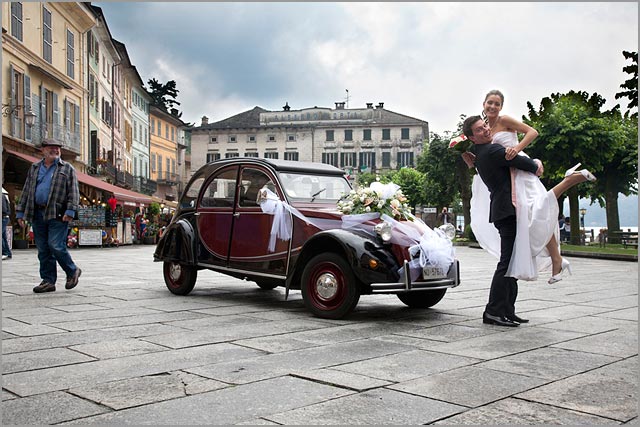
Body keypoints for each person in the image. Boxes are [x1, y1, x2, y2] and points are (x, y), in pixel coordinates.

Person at [462, 115, 595, 327]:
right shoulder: (493, 151)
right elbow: (530, 166)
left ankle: (507, 310)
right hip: (507, 211)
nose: (486, 130)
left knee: (511, 261)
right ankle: (493, 311)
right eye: (479, 130)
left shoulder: (480, 153)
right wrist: (536, 163)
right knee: (506, 262)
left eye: (485, 126)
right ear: (471, 137)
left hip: (504, 210)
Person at [15, 138, 82, 293]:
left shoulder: (67, 168)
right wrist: (20, 212)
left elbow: (73, 192)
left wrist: (71, 211)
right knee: (43, 249)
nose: (55, 150)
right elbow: (26, 190)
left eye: (57, 148)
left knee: (55, 245)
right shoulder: (34, 168)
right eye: (51, 148)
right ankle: (48, 280)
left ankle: (72, 270)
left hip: (58, 213)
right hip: (37, 212)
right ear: (43, 150)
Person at [2, 188, 12, 260]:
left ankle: (4, 252)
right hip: (4, 217)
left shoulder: (1, 196)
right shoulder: (3, 195)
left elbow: (3, 209)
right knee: (3, 236)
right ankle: (7, 253)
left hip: (3, 217)